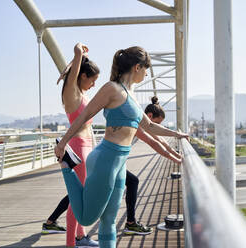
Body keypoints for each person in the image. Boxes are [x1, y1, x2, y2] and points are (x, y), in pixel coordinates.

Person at [55, 46, 189, 248]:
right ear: (137, 67)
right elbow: (85, 114)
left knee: (108, 222)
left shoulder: (131, 94)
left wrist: (178, 137)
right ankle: (66, 166)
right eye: (146, 69)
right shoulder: (112, 89)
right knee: (86, 218)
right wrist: (64, 142)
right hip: (105, 160)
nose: (146, 73)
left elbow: (150, 126)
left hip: (119, 165)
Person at [42, 43, 99, 248]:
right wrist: (77, 51)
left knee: (80, 195)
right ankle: (71, 244)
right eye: (92, 80)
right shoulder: (71, 93)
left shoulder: (81, 94)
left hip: (85, 147)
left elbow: (76, 67)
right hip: (78, 147)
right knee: (78, 199)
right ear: (82, 76)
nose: (94, 85)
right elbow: (75, 65)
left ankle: (80, 237)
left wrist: (79, 58)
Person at [123, 96, 182, 235]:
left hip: (113, 160)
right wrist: (176, 160)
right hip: (109, 159)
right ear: (149, 116)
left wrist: (177, 155)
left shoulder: (140, 123)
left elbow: (160, 140)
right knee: (131, 182)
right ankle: (130, 223)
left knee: (86, 190)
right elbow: (154, 143)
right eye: (157, 124)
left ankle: (130, 223)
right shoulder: (137, 124)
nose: (157, 128)